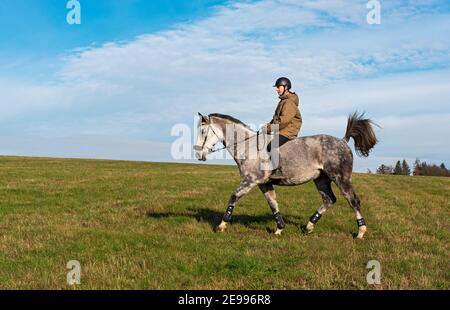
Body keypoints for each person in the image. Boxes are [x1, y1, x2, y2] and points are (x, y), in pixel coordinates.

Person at [263, 77, 302, 179]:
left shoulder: (288, 102)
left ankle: (277, 171)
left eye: (278, 87)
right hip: (283, 130)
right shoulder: (283, 101)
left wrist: (268, 129)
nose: (277, 89)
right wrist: (266, 127)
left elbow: (283, 121)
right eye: (276, 87)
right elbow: (276, 119)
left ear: (286, 87)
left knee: (271, 146)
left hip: (288, 131)